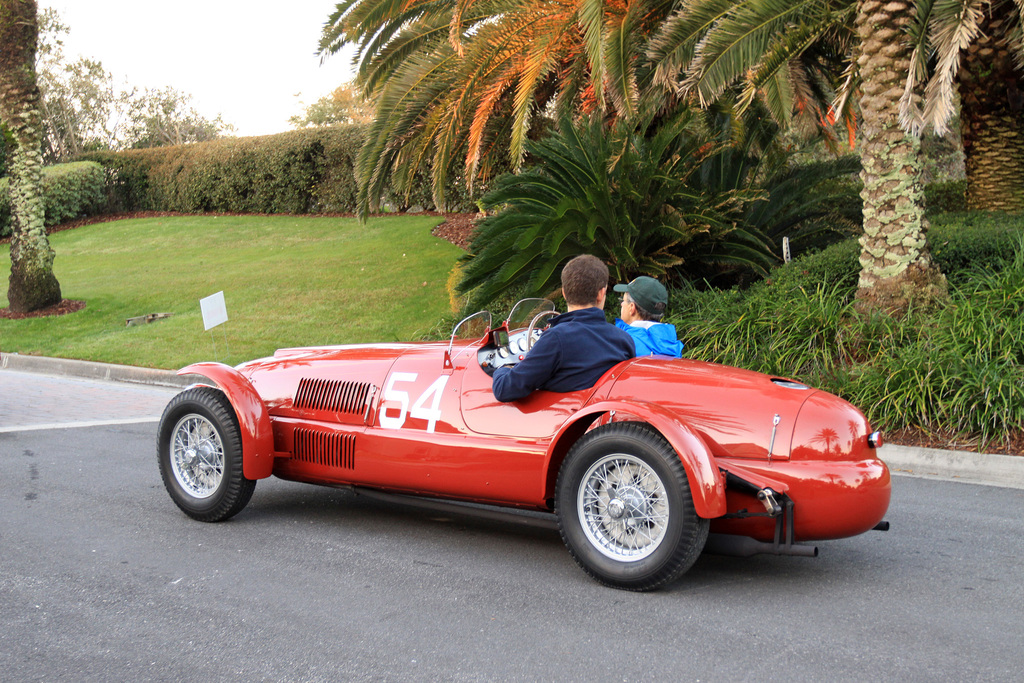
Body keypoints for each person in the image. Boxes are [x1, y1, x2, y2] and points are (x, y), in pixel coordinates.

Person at [492, 255, 635, 402]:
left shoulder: (556, 339)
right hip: (603, 419)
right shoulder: (624, 340)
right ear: (601, 294)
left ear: (564, 294)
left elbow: (505, 389)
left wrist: (502, 369)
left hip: (556, 419)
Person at [613, 276, 684, 357]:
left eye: (623, 301)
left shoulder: (622, 344)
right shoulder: (672, 345)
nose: (621, 304)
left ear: (632, 308)